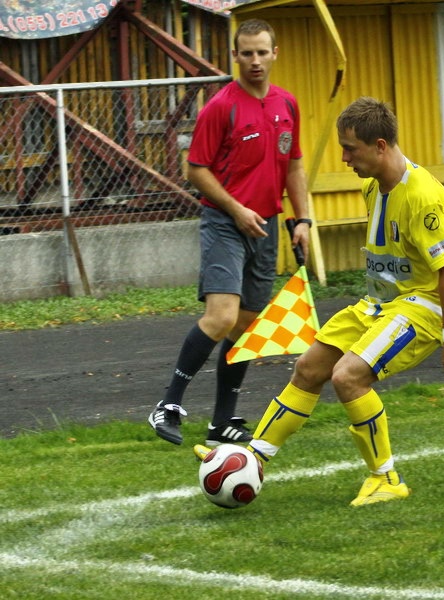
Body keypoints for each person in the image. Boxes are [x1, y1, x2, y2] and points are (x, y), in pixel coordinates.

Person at [195, 96, 444, 506]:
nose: (343, 157)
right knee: (309, 368)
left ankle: (386, 477)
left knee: (348, 377)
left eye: (350, 148)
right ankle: (253, 456)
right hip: (378, 304)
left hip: (420, 308)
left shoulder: (423, 197)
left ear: (379, 146)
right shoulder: (374, 185)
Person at [148, 19, 310, 447]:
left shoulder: (287, 104)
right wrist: (236, 209)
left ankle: (222, 422)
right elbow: (195, 170)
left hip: (268, 226)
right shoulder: (221, 107)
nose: (255, 60)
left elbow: (293, 164)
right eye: (247, 53)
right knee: (220, 317)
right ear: (235, 56)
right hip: (224, 222)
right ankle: (168, 406)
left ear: (275, 54)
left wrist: (304, 220)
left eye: (262, 52)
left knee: (245, 326)